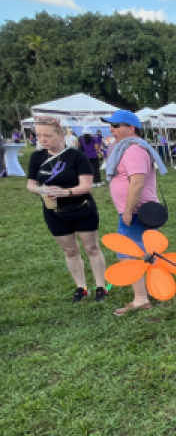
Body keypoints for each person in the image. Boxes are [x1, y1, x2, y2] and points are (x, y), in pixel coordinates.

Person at [25, 116, 107, 302]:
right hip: (53, 211)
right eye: (39, 136)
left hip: (81, 207)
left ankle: (101, 286)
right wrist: (41, 190)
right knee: (70, 251)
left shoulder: (76, 156)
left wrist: (65, 193)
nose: (43, 139)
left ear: (60, 135)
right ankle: (81, 287)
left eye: (48, 135)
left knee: (91, 248)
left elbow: (86, 185)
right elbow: (30, 184)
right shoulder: (37, 157)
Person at [102, 109, 168, 314]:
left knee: (129, 256)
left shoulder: (133, 150)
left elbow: (137, 183)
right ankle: (156, 289)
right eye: (111, 125)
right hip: (135, 211)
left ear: (130, 128)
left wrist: (129, 211)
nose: (111, 129)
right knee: (147, 253)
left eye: (115, 125)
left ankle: (141, 298)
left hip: (136, 212)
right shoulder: (126, 148)